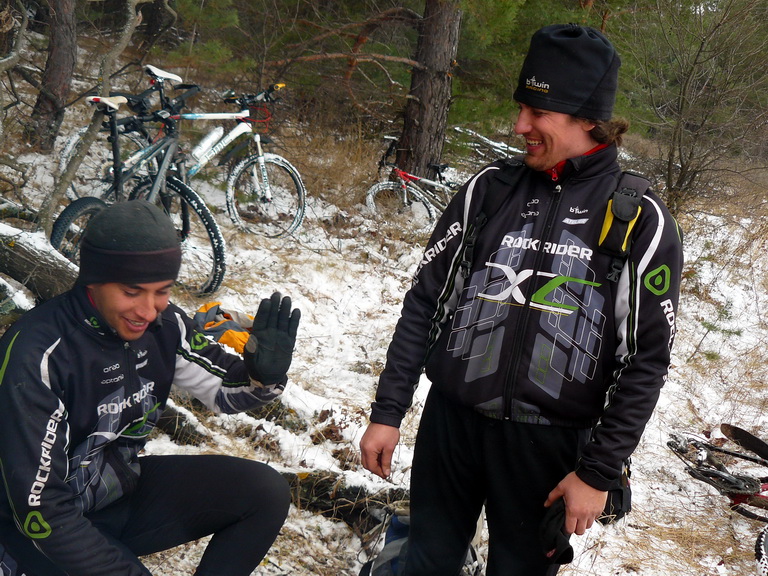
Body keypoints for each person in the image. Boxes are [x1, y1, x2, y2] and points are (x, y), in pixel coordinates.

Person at [359, 23, 684, 576]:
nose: (520, 126)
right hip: (451, 427)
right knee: (426, 563)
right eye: (520, 108)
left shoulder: (638, 217)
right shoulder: (489, 189)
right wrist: (389, 411)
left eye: (538, 112)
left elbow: (646, 360)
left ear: (588, 119)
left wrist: (598, 472)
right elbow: (425, 303)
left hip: (549, 447)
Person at [0, 200, 301, 576]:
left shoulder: (164, 324)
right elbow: (39, 506)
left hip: (114, 494)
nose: (147, 309)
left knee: (264, 492)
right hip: (33, 528)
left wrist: (263, 374)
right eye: (132, 291)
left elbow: (224, 391)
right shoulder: (39, 354)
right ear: (93, 278)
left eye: (162, 291)